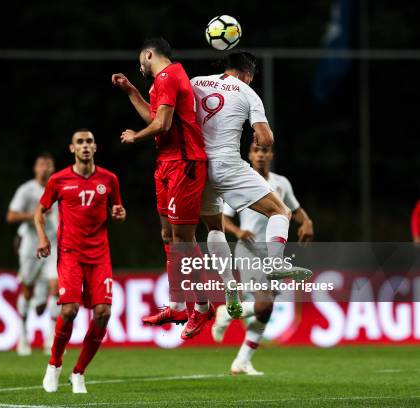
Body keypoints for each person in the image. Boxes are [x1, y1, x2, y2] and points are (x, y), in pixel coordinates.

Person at [112, 37, 232, 340]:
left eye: (141, 59)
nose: (140, 65)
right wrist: (131, 91)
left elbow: (162, 125)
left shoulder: (168, 76)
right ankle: (178, 304)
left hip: (185, 163)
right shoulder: (166, 80)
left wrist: (135, 137)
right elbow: (157, 118)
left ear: (148, 54)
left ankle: (202, 305)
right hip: (167, 164)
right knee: (168, 235)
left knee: (183, 238)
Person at [191, 51, 312, 290]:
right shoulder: (247, 92)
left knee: (214, 227)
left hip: (196, 165)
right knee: (281, 211)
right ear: (247, 74)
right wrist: (260, 134)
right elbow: (266, 139)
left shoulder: (196, 82)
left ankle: (228, 286)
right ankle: (276, 263)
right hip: (226, 165)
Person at [211, 142, 314, 375]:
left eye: (264, 151)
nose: (260, 155)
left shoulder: (281, 183)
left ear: (271, 155)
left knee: (265, 310)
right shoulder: (241, 182)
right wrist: (238, 232)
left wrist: (307, 222)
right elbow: (223, 218)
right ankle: (227, 312)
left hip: (273, 253)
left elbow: (295, 211)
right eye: (256, 151)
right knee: (264, 303)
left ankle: (242, 361)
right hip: (249, 251)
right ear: (249, 155)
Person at [36, 129, 126, 394]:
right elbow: (39, 213)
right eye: (80, 142)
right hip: (70, 253)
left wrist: (119, 214)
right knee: (69, 310)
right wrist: (43, 239)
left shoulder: (109, 179)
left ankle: (79, 373)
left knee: (103, 313)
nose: (85, 146)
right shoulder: (58, 180)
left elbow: (117, 210)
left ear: (95, 148)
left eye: (89, 142)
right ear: (72, 149)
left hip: (100, 255)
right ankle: (54, 364)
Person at [6, 153, 60, 356]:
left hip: (53, 244)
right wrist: (36, 215)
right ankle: (23, 335)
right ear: (35, 168)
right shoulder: (27, 190)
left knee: (57, 288)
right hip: (30, 245)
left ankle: (50, 339)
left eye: (48, 164)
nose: (45, 168)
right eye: (41, 165)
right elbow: (11, 215)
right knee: (27, 289)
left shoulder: (59, 186)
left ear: (53, 168)